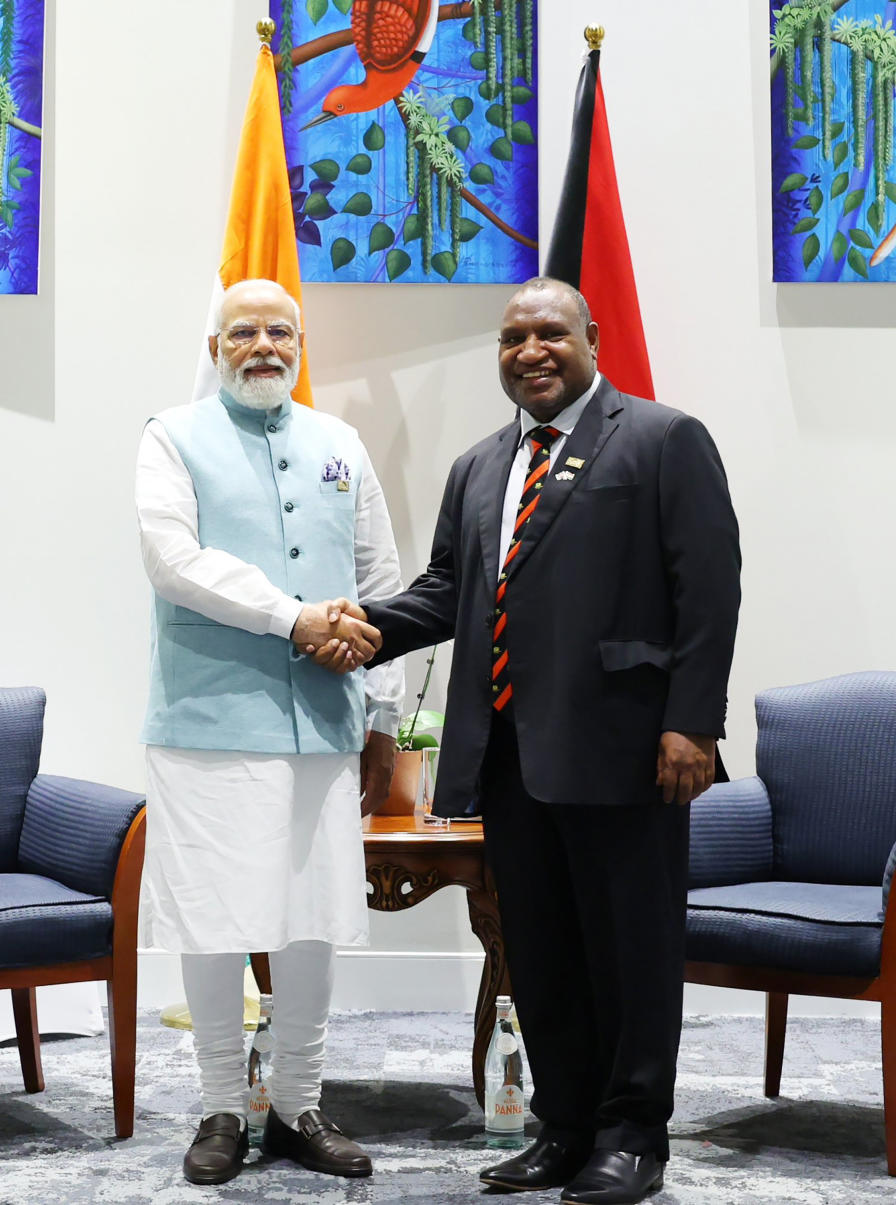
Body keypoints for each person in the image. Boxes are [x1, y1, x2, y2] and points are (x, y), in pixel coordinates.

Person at [308, 277, 741, 1205]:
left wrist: (692, 722)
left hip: (627, 750)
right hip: (507, 757)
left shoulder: (663, 440)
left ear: (592, 338)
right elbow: (445, 592)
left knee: (630, 949)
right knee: (538, 954)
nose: (530, 351)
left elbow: (708, 589)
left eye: (550, 333)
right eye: (512, 338)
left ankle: (633, 1135)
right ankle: (566, 1126)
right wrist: (362, 625)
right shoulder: (479, 466)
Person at [135, 278, 404, 1186]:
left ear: (301, 343)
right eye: (242, 331)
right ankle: (220, 1105)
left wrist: (384, 706)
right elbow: (174, 562)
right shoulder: (172, 435)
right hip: (210, 721)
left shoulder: (341, 444)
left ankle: (297, 1104)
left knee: (312, 919)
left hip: (325, 723)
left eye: (279, 330)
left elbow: (382, 576)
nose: (263, 345)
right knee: (213, 916)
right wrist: (294, 618)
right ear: (215, 347)